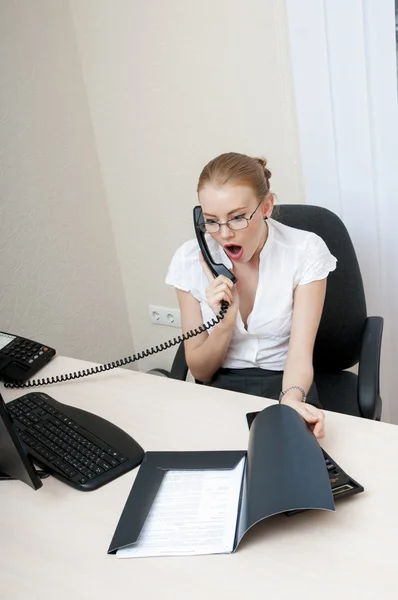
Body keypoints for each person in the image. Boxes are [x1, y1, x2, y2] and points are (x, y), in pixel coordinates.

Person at [166, 152, 337, 439]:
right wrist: (225, 321)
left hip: (285, 383)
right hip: (219, 387)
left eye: (237, 218)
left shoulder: (305, 251)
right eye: (211, 220)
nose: (224, 234)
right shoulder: (188, 260)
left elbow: (299, 354)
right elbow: (201, 371)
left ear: (266, 206)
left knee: (296, 470)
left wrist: (291, 402)